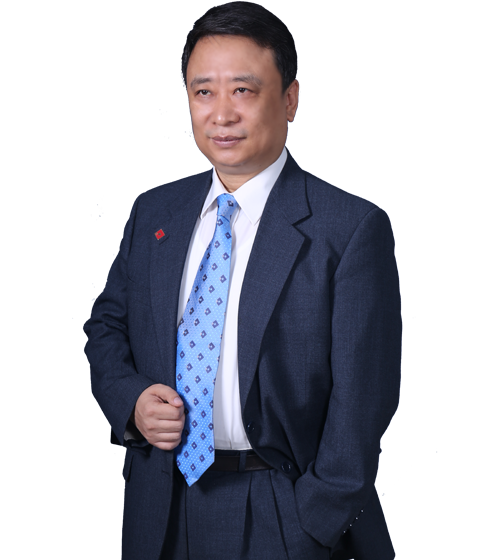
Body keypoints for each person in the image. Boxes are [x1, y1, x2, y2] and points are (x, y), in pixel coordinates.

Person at [84, 3, 402, 560]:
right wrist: (130, 401)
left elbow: (363, 402)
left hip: (281, 513)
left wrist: (311, 523)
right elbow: (107, 326)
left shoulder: (348, 229)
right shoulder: (155, 213)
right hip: (159, 509)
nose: (221, 114)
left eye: (243, 90)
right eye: (203, 92)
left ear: (290, 99)